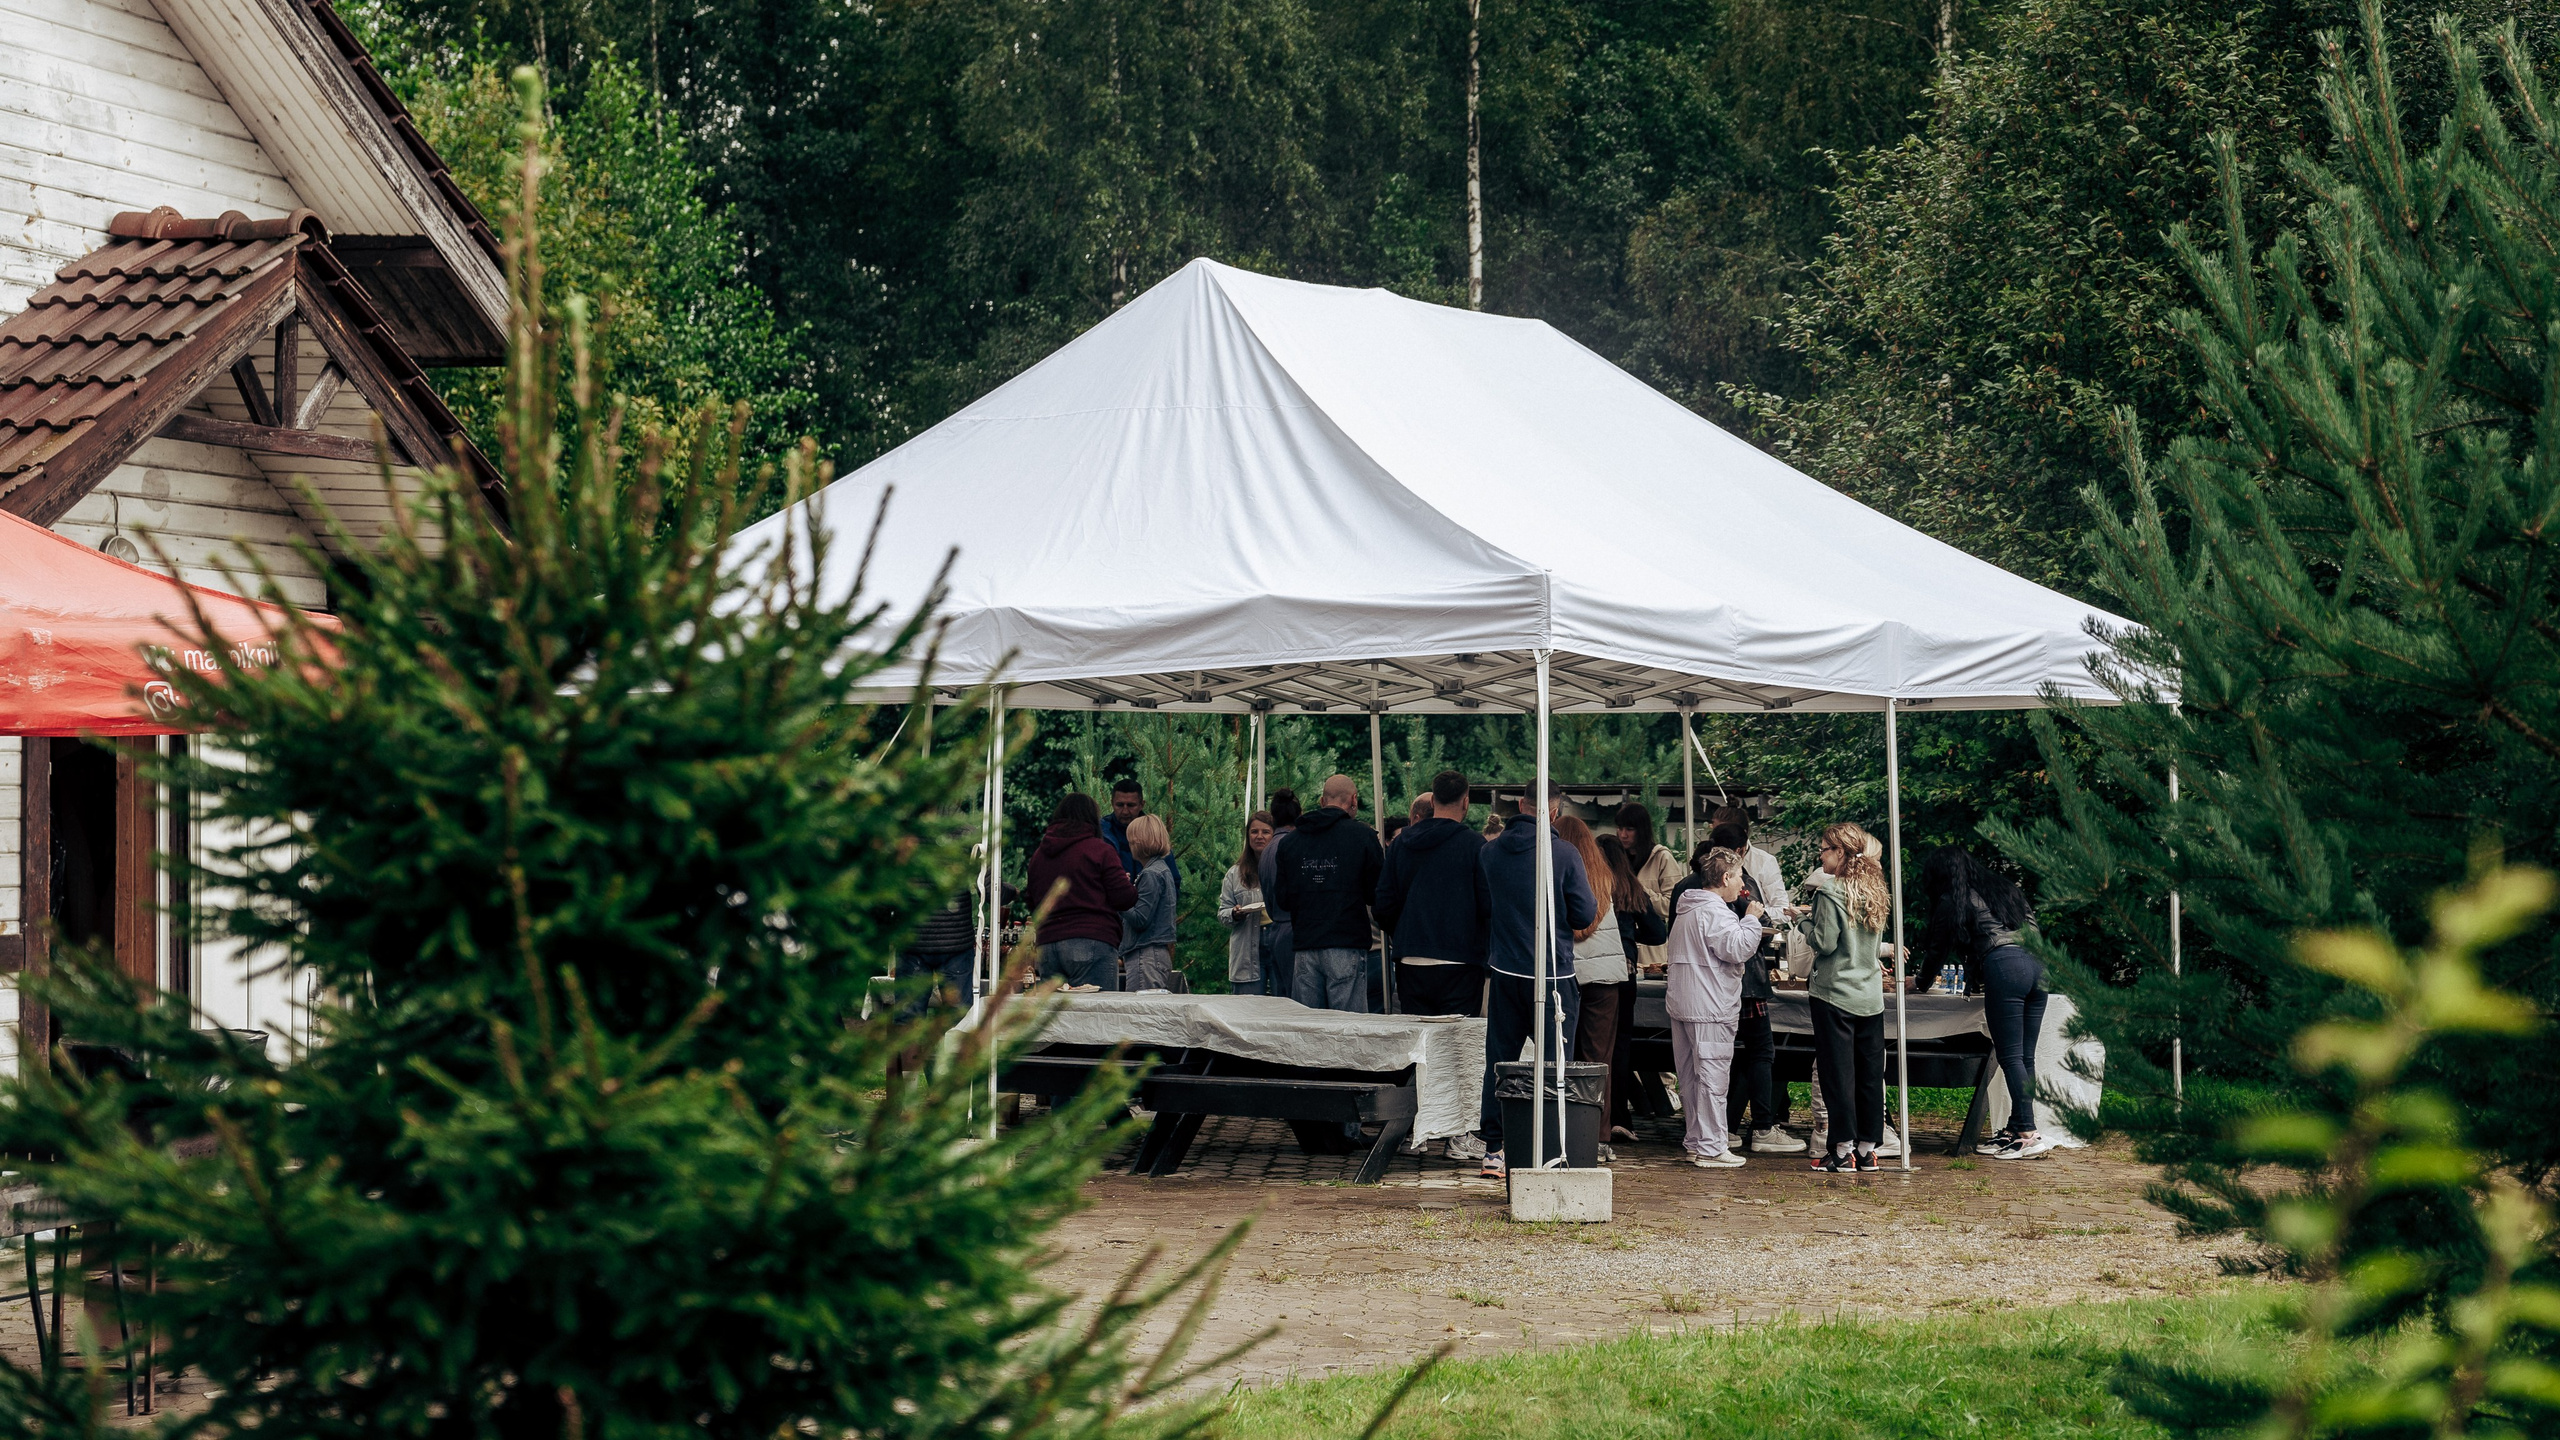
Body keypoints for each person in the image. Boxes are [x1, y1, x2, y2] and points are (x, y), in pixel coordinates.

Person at [1473, 786, 1599, 1180]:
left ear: (1520, 805)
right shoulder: (1564, 854)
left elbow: (1483, 906)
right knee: (1556, 1066)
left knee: (1499, 1062)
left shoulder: (1490, 852)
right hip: (1554, 974)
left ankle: (1494, 1149)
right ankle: (1552, 1146)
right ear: (1555, 811)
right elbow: (1585, 914)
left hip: (1505, 969)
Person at [1922, 846, 2053, 1159]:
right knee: (2025, 1056)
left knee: (2010, 1056)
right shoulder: (2004, 889)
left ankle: (2027, 1134)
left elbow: (1937, 950)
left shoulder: (1953, 898)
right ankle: (2016, 1127)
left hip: (2006, 967)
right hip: (2040, 966)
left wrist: (1920, 982)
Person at [1686, 824, 1806, 1154]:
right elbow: (1749, 937)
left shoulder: (1689, 886)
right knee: (1758, 1052)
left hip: (1707, 987)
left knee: (1719, 1059)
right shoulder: (1739, 884)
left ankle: (1722, 1128)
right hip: (1744, 982)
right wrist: (1754, 919)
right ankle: (1761, 1126)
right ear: (1740, 851)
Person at [1802, 821, 1891, 1173]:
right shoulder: (1875, 890)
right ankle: (1868, 1150)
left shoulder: (1829, 892)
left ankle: (1841, 1151)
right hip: (1869, 993)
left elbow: (1825, 943)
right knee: (1869, 1074)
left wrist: (1803, 924)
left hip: (1834, 992)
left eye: (1824, 849)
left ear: (1840, 852)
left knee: (1838, 1074)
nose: (1821, 856)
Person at [1666, 848, 1762, 1167]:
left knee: (1691, 1077)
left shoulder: (1687, 908)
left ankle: (1697, 1140)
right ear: (1725, 878)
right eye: (1739, 877)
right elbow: (1738, 948)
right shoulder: (1715, 912)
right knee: (1712, 1077)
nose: (1742, 883)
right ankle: (1711, 1147)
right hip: (1710, 1004)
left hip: (1684, 1002)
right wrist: (1751, 919)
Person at [1576, 830, 1667, 1157]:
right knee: (1619, 1045)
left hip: (1587, 969)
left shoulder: (1590, 884)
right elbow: (1657, 933)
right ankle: (1619, 1116)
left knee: (1588, 1045)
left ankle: (1589, 1116)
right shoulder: (1630, 886)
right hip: (1624, 970)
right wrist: (1629, 937)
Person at [1372, 769, 1490, 1021]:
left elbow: (1383, 904)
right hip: (1461, 959)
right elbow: (1488, 905)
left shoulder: (1400, 844)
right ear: (1466, 802)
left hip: (1411, 958)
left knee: (1418, 1039)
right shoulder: (1475, 845)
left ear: (1433, 801)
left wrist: (1405, 930)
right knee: (1458, 1040)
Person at [1270, 774, 1385, 1012]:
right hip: (1346, 941)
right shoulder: (1363, 836)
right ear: (1354, 800)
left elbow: (1283, 899)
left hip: (1305, 944)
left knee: (1310, 1026)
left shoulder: (1291, 842)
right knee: (1348, 1026)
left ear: (1322, 801)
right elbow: (1376, 893)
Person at [1026, 793, 1139, 990]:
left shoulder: (1039, 855)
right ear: (1092, 818)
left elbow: (1031, 901)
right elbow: (1124, 898)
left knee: (1054, 1010)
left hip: (1048, 943)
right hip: (1092, 938)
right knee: (1097, 1008)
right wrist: (1128, 883)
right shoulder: (1100, 850)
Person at [1613, 804, 1682, 974]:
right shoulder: (1614, 858)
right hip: (1619, 946)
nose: (1623, 834)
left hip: (1652, 951)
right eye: (1620, 828)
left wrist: (1638, 891)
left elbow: (1673, 904)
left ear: (1641, 830)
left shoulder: (1662, 857)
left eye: (1629, 829)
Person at [1118, 815, 1179, 991]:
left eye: (1131, 840)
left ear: (1141, 841)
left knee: (1141, 1007)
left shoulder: (1151, 874)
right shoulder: (1161, 870)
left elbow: (1140, 919)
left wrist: (1119, 898)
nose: (1129, 844)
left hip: (1145, 956)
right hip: (1153, 956)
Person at [1220, 812, 1274, 994]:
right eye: (1254, 831)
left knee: (1284, 1004)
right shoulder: (1235, 874)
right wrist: (1234, 913)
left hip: (1277, 941)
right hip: (1246, 949)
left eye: (1265, 832)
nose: (1259, 836)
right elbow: (1223, 912)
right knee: (1248, 1006)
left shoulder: (1282, 868)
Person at [1257, 789, 1304, 1000]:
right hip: (1292, 928)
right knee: (1297, 1000)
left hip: (1276, 929)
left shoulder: (1267, 850)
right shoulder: (1292, 845)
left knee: (1283, 997)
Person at [1101, 779, 1182, 893]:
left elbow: (1173, 883)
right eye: (1120, 805)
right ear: (1112, 803)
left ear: (1141, 805)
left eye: (1131, 805)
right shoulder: (1101, 833)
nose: (1125, 811)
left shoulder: (1154, 833)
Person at [1709, 805, 1791, 918]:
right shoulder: (1708, 860)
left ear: (1742, 833)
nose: (1718, 841)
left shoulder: (1764, 861)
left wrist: (1753, 914)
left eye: (1725, 836)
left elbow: (1783, 910)